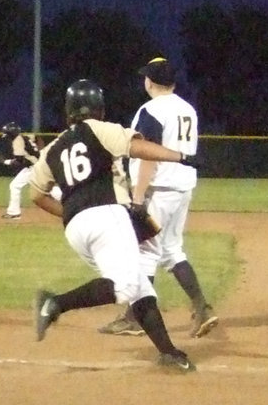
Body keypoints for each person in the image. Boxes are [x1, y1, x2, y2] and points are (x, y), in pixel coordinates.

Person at [31, 78, 200, 372]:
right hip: (108, 215)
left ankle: (169, 352)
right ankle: (55, 303)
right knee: (124, 287)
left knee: (139, 286)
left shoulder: (54, 148)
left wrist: (69, 212)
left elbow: (35, 194)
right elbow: (139, 147)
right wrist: (181, 156)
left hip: (76, 228)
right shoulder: (101, 128)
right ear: (98, 107)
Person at [98, 58, 218, 339]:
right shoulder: (187, 109)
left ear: (150, 82)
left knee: (144, 254)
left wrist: (138, 198)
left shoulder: (150, 110)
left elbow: (148, 153)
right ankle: (201, 307)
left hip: (158, 190)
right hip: (182, 188)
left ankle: (135, 318)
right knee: (172, 249)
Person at [0, 122, 62, 218]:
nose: (7, 137)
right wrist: (41, 151)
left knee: (15, 186)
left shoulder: (17, 141)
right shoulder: (26, 136)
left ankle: (14, 213)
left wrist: (5, 161)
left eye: (7, 134)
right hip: (38, 165)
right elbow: (37, 138)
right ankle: (68, 196)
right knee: (46, 188)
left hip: (33, 168)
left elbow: (19, 161)